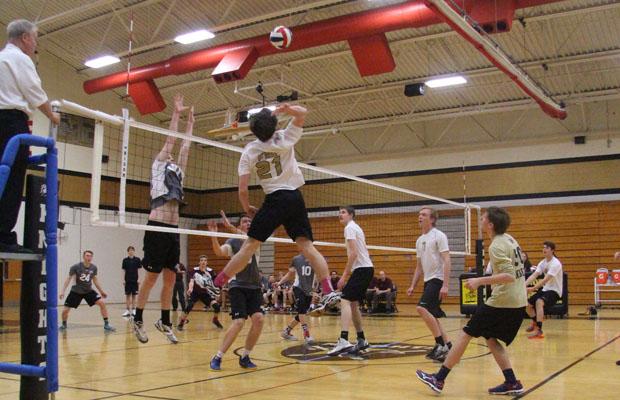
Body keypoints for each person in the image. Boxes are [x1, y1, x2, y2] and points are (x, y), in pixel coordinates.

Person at [213, 104, 337, 309]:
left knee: (249, 246)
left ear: (254, 130)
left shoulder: (250, 150)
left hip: (274, 199)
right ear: (274, 125)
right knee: (307, 247)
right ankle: (328, 290)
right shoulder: (284, 137)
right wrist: (284, 109)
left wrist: (247, 208)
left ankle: (218, 282)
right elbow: (303, 112)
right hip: (295, 198)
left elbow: (242, 190)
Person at [416, 206, 526, 396]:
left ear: (490, 224)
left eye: (483, 218)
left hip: (503, 301)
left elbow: (509, 275)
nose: (480, 219)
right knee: (490, 338)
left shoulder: (497, 245)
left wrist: (479, 280)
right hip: (517, 301)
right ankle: (511, 382)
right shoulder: (510, 239)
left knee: (466, 333)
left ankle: (439, 379)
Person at [130, 94, 194, 345]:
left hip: (173, 229)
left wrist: (191, 124)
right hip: (156, 226)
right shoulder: (158, 166)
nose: (171, 155)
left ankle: (165, 322)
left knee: (171, 278)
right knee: (152, 277)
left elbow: (185, 147)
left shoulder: (178, 172)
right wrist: (177, 114)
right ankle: (138, 318)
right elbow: (172, 141)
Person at [0, 19, 60, 253]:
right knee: (14, 178)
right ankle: (4, 236)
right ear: (25, 37)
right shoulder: (19, 59)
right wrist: (52, 116)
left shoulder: (2, 57)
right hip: (12, 122)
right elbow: (34, 92)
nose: (35, 43)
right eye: (34, 38)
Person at [208, 215, 263, 370]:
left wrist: (231, 227)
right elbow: (219, 252)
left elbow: (245, 236)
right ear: (240, 224)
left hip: (255, 286)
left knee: (259, 319)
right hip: (237, 285)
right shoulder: (233, 242)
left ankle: (245, 356)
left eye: (250, 222)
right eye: (245, 221)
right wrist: (213, 235)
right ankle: (218, 356)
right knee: (239, 322)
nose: (248, 224)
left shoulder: (256, 240)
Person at [407, 207, 452, 361]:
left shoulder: (439, 236)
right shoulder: (419, 240)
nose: (420, 217)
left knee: (421, 308)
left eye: (424, 215)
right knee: (432, 315)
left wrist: (445, 285)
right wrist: (413, 285)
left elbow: (447, 260)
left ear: (432, 219)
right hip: (428, 280)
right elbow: (419, 267)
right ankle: (448, 345)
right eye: (419, 214)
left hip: (437, 279)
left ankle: (440, 345)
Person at [328, 206, 374, 356]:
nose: (340, 215)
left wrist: (344, 276)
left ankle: (343, 339)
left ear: (351, 215)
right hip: (365, 269)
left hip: (362, 269)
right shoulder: (354, 227)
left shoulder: (350, 228)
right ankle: (361, 339)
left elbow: (353, 253)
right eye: (339, 212)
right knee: (353, 304)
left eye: (343, 212)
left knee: (345, 300)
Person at [59, 250, 115, 332]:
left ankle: (106, 324)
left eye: (90, 256)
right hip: (76, 291)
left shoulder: (94, 268)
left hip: (88, 291)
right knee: (65, 311)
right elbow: (68, 279)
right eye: (87, 256)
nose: (89, 258)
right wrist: (62, 291)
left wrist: (101, 291)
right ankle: (64, 324)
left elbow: (95, 280)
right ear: (83, 256)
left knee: (102, 303)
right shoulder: (75, 267)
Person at [525, 241, 563, 339]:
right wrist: (524, 285)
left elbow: (546, 279)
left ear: (552, 250)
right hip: (546, 290)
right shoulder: (543, 262)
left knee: (539, 302)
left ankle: (539, 330)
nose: (544, 249)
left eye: (546, 248)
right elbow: (534, 275)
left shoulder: (556, 263)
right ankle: (535, 322)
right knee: (526, 304)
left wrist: (532, 288)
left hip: (555, 291)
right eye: (543, 247)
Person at [279, 252, 316, 344]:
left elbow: (317, 275)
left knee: (301, 314)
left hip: (309, 290)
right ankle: (306, 334)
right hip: (298, 288)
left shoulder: (315, 258)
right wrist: (279, 282)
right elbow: (289, 274)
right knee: (302, 312)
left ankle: (286, 331)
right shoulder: (296, 259)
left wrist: (314, 289)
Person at [177, 256, 223, 330]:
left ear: (207, 262)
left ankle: (215, 320)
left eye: (205, 260)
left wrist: (217, 292)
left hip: (206, 293)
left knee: (217, 307)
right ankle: (182, 322)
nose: (203, 262)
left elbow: (215, 283)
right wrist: (190, 289)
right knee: (189, 306)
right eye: (201, 260)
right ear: (199, 262)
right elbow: (191, 281)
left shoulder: (210, 271)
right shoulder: (194, 270)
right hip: (195, 292)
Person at [121, 246, 142, 317]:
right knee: (127, 295)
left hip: (135, 280)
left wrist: (139, 279)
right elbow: (124, 270)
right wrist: (123, 280)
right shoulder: (125, 260)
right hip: (127, 280)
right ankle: (127, 310)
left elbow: (139, 270)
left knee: (134, 296)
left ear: (134, 251)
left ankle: (133, 310)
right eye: (130, 250)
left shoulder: (137, 260)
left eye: (132, 250)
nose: (131, 251)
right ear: (128, 251)